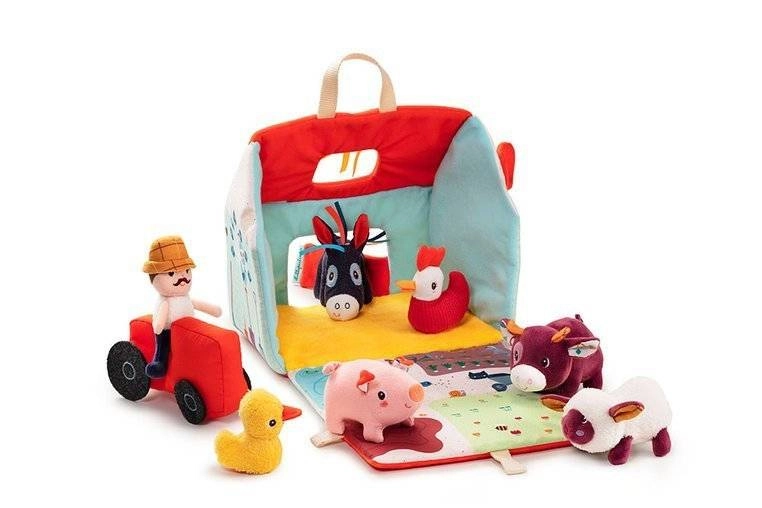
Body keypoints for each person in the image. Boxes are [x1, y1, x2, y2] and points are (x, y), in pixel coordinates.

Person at [142, 236, 222, 378]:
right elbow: (159, 322)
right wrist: (158, 325)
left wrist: (214, 310)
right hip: (167, 331)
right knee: (164, 345)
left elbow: (196, 304)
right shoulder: (166, 302)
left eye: (186, 271)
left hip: (188, 328)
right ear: (154, 277)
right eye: (171, 273)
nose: (182, 277)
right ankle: (159, 362)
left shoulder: (185, 298)